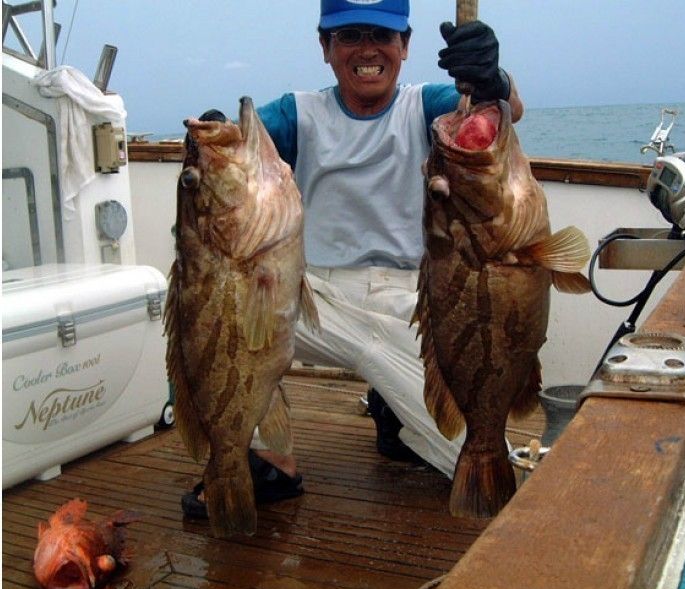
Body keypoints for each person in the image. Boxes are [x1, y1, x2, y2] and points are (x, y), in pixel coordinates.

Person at [182, 0, 524, 519]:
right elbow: (232, 145)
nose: (367, 49)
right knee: (207, 327)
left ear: (404, 46)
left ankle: (395, 410)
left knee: (468, 456)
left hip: (407, 300)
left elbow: (500, 115)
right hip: (311, 293)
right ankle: (268, 458)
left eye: (381, 36)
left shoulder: (426, 105)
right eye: (348, 36)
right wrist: (212, 130)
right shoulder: (298, 113)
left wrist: (493, 79)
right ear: (326, 47)